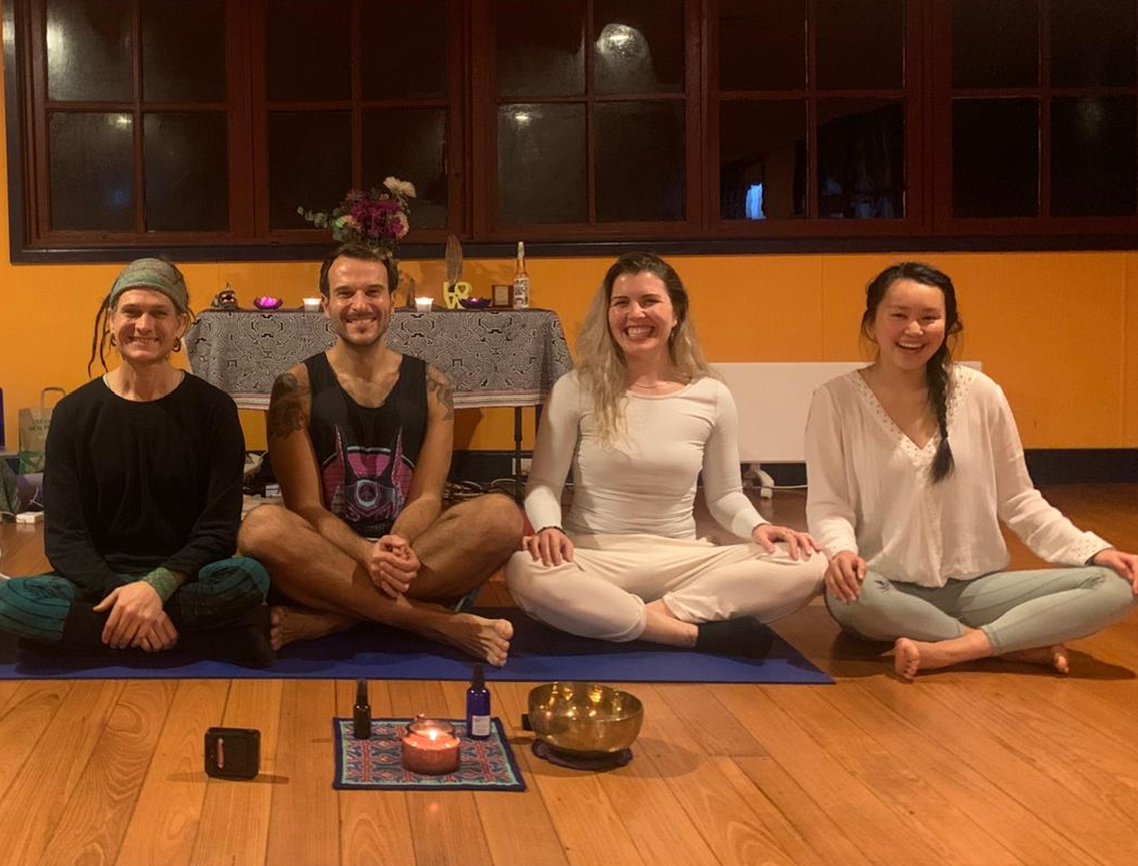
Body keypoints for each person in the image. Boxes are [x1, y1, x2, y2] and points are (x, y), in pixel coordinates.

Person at [807, 261, 1137, 679]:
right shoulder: (835, 400)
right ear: (872, 323)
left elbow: (1020, 501)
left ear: (949, 326)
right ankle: (1004, 645)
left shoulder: (981, 394)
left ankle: (956, 648)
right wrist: (841, 553)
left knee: (1120, 585)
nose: (914, 329)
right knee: (852, 596)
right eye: (899, 316)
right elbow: (829, 504)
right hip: (885, 589)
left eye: (929, 318)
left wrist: (1095, 550)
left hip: (976, 589)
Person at [506, 252, 823, 658]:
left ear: (677, 314)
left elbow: (725, 497)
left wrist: (759, 528)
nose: (634, 313)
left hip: (682, 561)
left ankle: (637, 619)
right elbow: (544, 485)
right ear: (607, 314)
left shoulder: (712, 395)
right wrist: (550, 528)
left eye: (649, 301)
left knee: (810, 562)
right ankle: (692, 635)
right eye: (621, 303)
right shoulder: (575, 388)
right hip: (595, 557)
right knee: (524, 570)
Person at [237, 243, 526, 665]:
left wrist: (397, 546)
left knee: (503, 516)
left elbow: (428, 496)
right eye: (345, 293)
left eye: (373, 292)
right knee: (260, 528)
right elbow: (305, 507)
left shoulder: (433, 385)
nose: (360, 305)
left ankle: (337, 617)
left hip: (411, 553)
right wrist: (365, 554)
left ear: (393, 301)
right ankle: (437, 623)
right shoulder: (293, 387)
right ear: (325, 305)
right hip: (328, 554)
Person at [0, 259, 273, 665]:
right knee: (6, 601)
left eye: (159, 313)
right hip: (95, 583)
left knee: (250, 580)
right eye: (131, 311)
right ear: (110, 321)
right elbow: (64, 540)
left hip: (184, 579)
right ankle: (192, 637)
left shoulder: (213, 410)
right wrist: (121, 593)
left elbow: (218, 530)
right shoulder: (73, 413)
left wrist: (156, 587)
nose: (143, 325)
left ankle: (95, 637)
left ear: (180, 325)